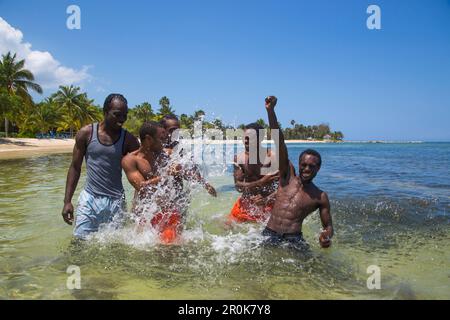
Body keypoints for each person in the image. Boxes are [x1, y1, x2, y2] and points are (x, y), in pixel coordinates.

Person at [62, 93, 140, 239]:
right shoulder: (86, 134)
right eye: (117, 115)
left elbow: (140, 172)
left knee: (114, 248)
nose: (122, 120)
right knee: (80, 242)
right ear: (105, 112)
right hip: (89, 199)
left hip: (116, 202)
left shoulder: (129, 140)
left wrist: (137, 206)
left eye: (125, 115)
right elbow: (75, 167)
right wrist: (67, 201)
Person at [262, 96, 333, 249]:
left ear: (318, 168)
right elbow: (278, 141)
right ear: (299, 164)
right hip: (269, 233)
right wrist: (271, 111)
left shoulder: (320, 197)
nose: (307, 169)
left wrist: (325, 236)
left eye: (311, 166)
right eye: (304, 165)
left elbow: (328, 226)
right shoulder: (287, 176)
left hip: (294, 239)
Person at [122, 121, 196, 244]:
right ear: (148, 139)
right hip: (145, 213)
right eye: (161, 139)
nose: (165, 143)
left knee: (172, 249)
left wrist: (204, 183)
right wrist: (167, 174)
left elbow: (189, 170)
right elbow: (142, 188)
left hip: (168, 211)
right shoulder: (130, 160)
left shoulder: (168, 154)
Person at [228, 123, 278, 224]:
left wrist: (266, 199)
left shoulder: (272, 157)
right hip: (246, 204)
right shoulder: (239, 158)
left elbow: (285, 187)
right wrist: (260, 182)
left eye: (250, 138)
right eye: (244, 138)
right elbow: (238, 186)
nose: (246, 141)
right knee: (226, 227)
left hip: (268, 204)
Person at [160, 114, 217, 197]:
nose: (176, 133)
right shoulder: (156, 150)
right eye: (172, 130)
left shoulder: (180, 149)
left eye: (178, 130)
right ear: (162, 131)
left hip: (176, 196)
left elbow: (191, 171)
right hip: (160, 197)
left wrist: (205, 184)